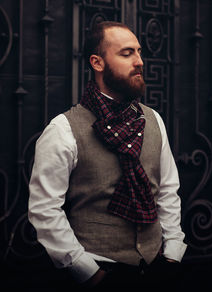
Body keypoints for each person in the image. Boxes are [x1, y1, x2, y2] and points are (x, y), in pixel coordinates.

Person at [28, 21, 187, 289]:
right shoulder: (63, 129)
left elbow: (167, 191)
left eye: (139, 52)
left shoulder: (153, 120)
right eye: (127, 53)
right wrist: (87, 271)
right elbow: (44, 210)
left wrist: (173, 253)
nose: (139, 61)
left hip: (156, 268)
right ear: (97, 63)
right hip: (99, 270)